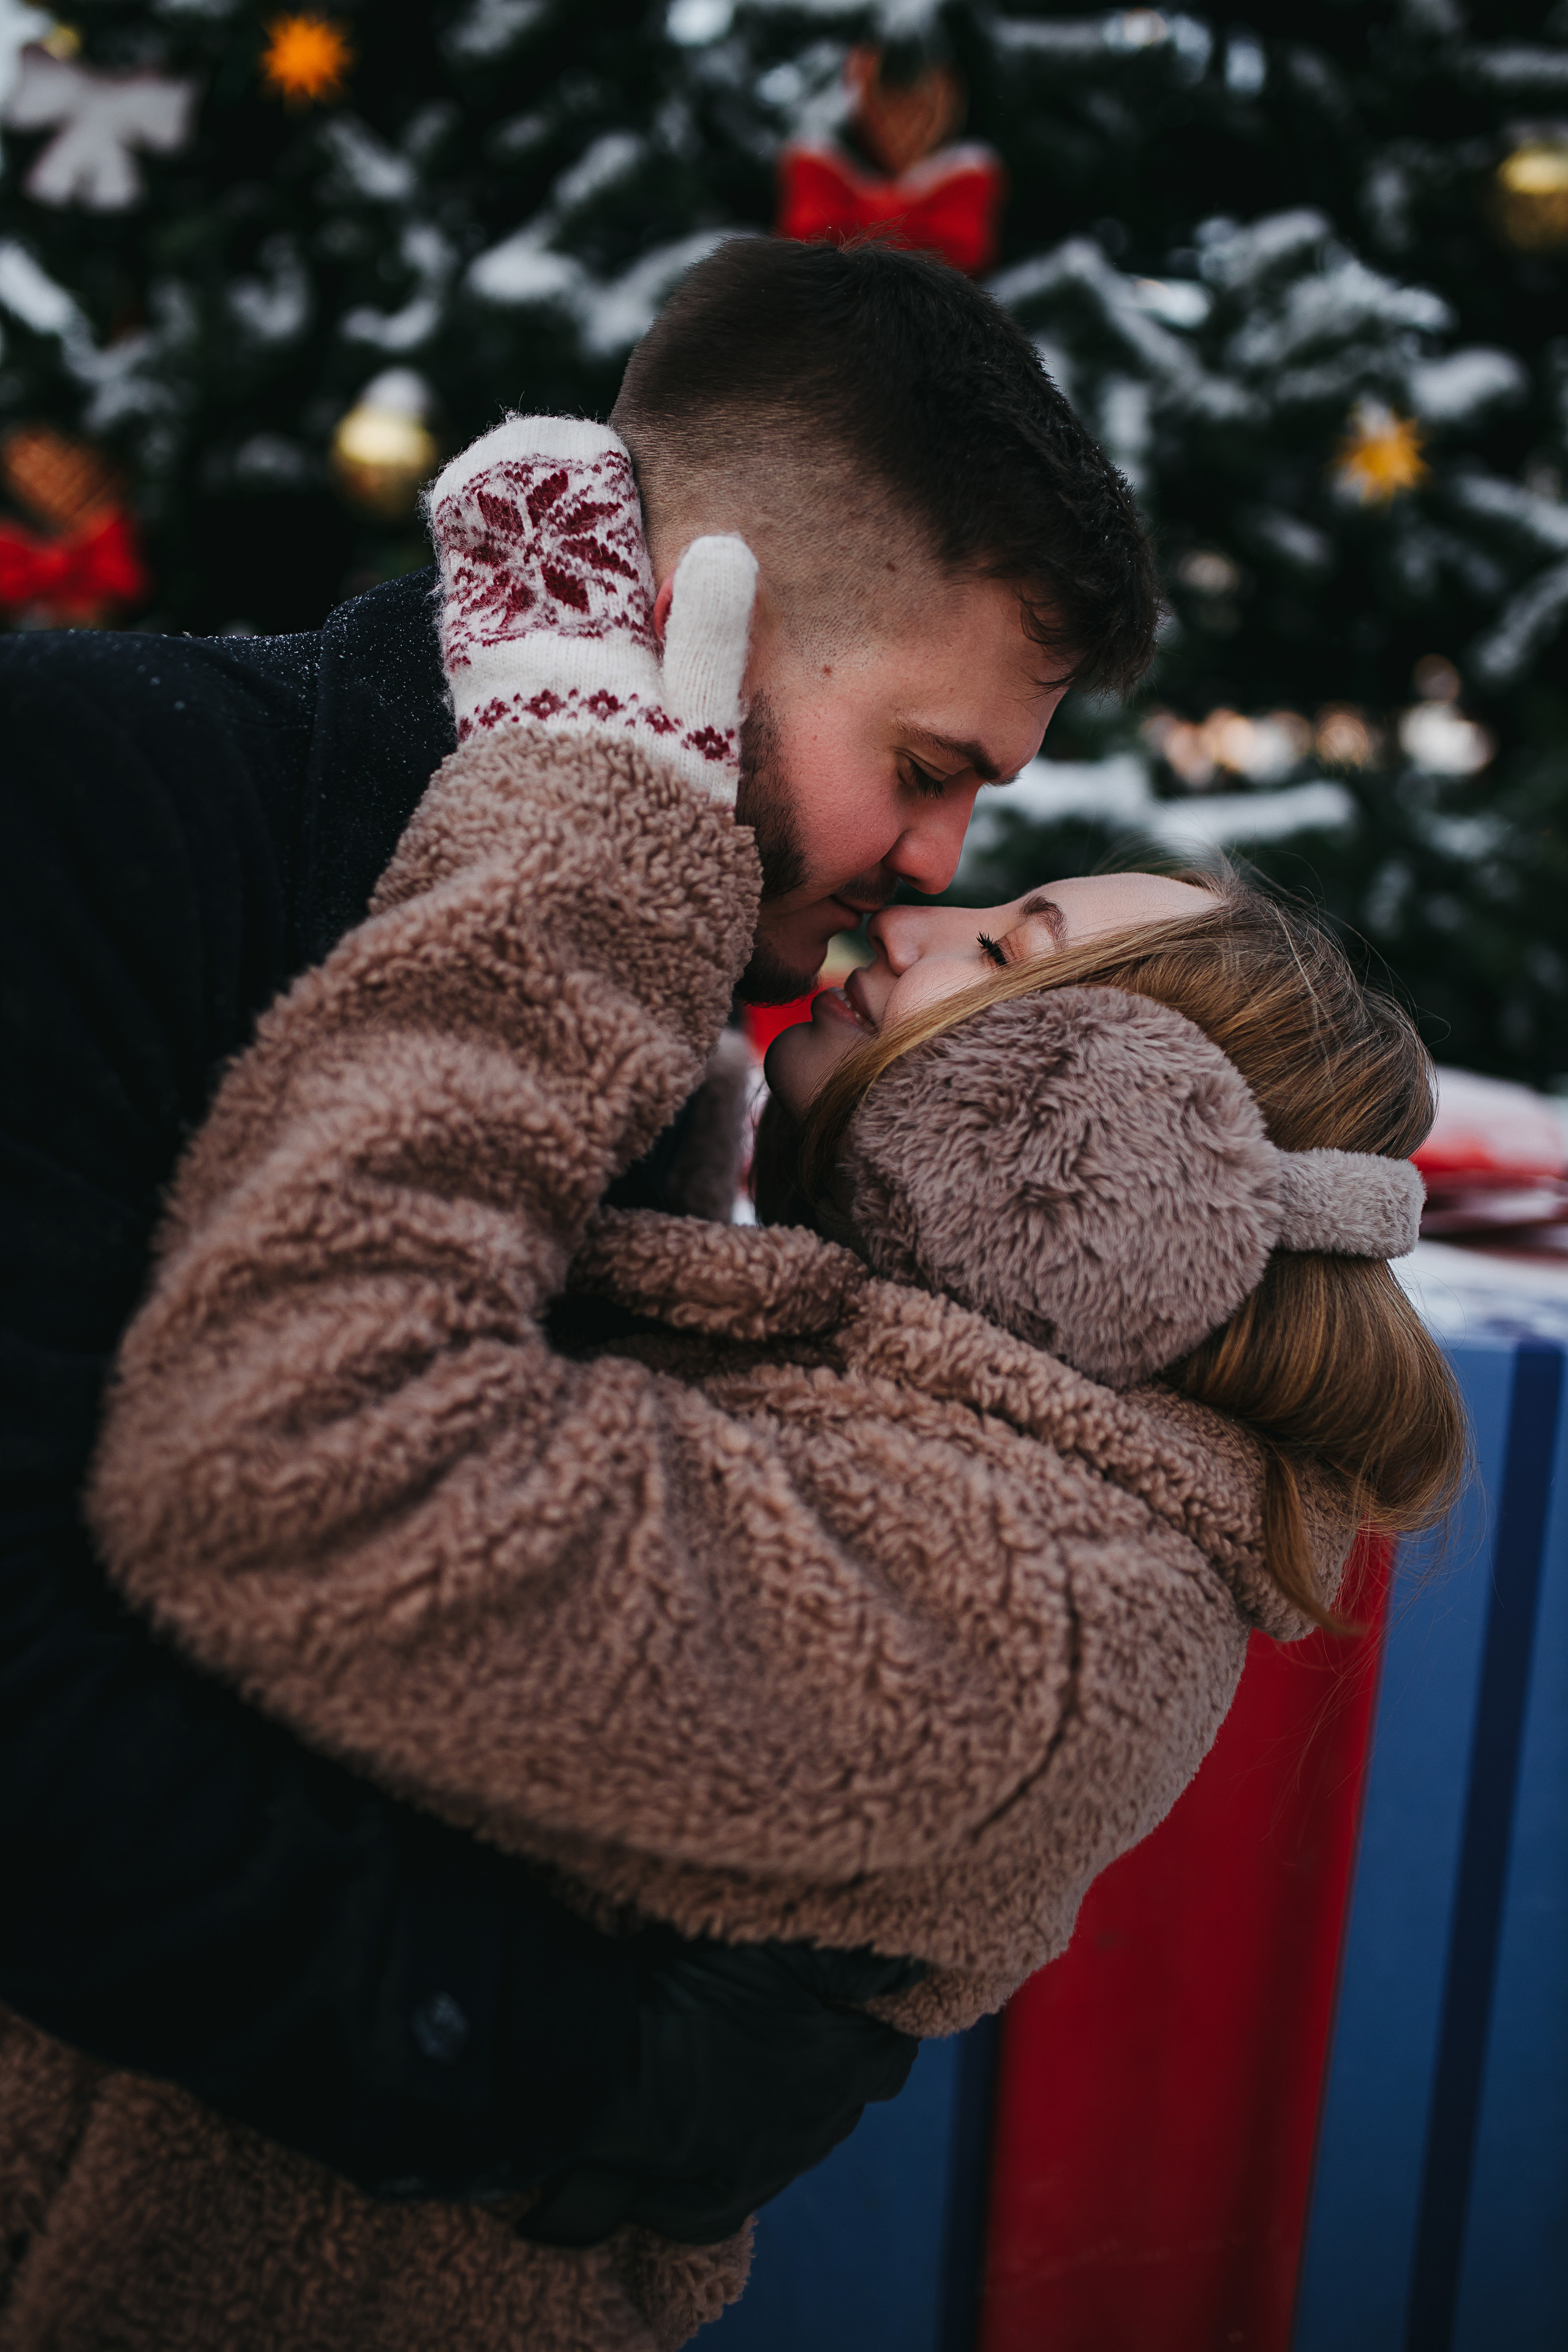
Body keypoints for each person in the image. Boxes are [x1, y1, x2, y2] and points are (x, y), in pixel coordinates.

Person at [1, 405, 1465, 2352]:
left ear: (1126, 1136)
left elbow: (303, 1466)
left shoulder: (1023, 1599)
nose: (924, 902)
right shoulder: (959, 1441)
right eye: (932, 786)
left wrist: (584, 838)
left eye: (1011, 940)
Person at [0, 236, 1159, 2239]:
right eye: (925, 770)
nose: (934, 871)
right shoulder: (93, 789)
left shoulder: (678, 1023)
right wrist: (569, 2068)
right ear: (706, 608)